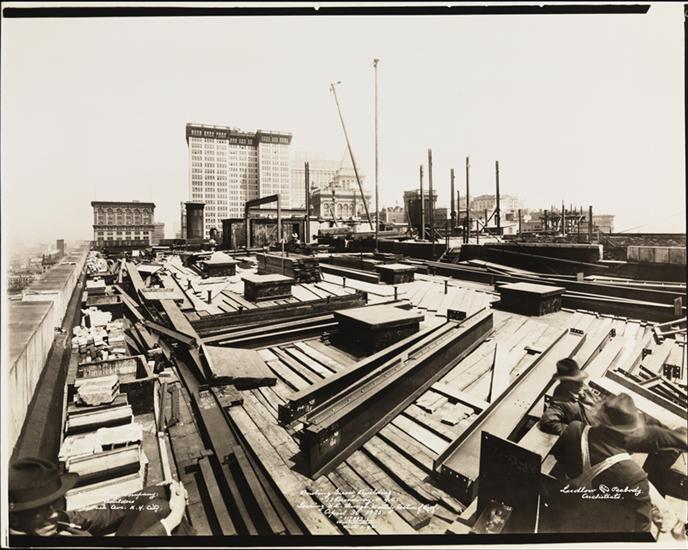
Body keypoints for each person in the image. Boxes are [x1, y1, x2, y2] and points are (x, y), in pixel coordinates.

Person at [9, 457, 191, 537]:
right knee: (163, 511)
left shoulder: (52, 522)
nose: (54, 514)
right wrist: (172, 521)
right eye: (41, 511)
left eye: (54, 505)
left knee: (157, 499)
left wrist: (158, 490)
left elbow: (105, 513)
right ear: (14, 520)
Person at [550, 393, 653, 533]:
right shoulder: (634, 475)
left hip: (563, 513)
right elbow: (642, 527)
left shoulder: (574, 430)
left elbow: (559, 457)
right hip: (599, 529)